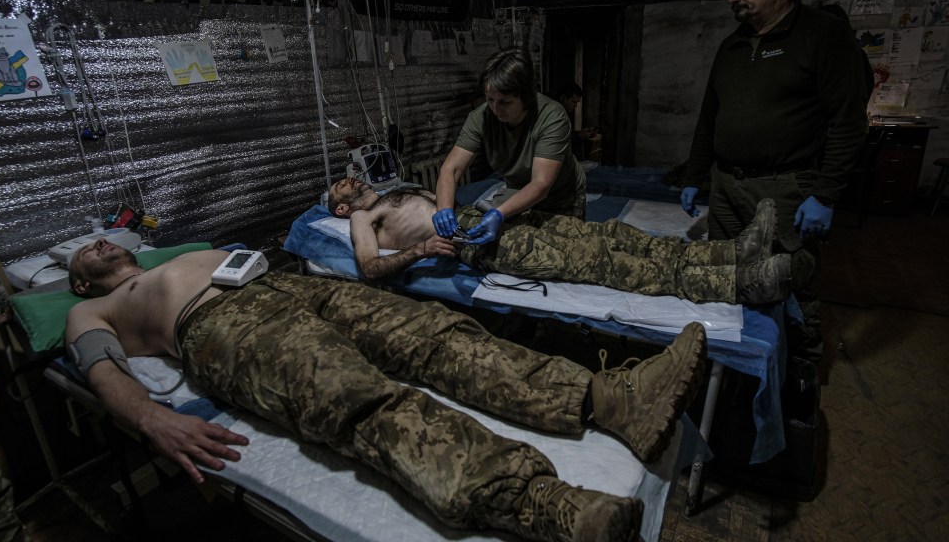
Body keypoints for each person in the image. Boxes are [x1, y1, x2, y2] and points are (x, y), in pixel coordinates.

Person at [66, 239, 709, 542]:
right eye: (88, 250)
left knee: (436, 335)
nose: (101, 246)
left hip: (283, 286)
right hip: (219, 329)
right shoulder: (93, 308)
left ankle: (609, 399)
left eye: (104, 240)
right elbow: (104, 375)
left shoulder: (178, 250)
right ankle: (551, 506)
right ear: (78, 278)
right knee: (360, 400)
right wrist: (154, 418)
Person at [680, 0, 869, 359]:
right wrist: (696, 175)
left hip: (784, 187)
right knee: (728, 274)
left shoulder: (822, 34)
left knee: (789, 280)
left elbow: (849, 121)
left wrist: (825, 194)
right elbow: (710, 118)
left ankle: (800, 370)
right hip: (727, 185)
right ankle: (732, 363)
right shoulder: (732, 46)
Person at [328, 177, 791, 306]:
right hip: (477, 242)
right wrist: (420, 251)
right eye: (338, 190)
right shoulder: (364, 219)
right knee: (603, 260)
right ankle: (738, 285)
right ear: (342, 210)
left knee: (610, 233)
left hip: (490, 218)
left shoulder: (391, 190)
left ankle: (730, 251)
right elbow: (370, 269)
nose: (345, 181)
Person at [433, 49, 587, 248]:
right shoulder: (481, 118)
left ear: (527, 98)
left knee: (566, 251)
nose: (495, 109)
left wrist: (499, 213)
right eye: (490, 99)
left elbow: (541, 184)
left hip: (560, 197)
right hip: (519, 192)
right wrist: (444, 208)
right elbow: (451, 169)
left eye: (505, 102)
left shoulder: (552, 117)